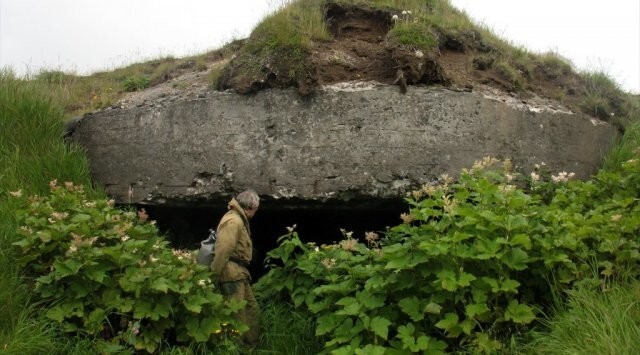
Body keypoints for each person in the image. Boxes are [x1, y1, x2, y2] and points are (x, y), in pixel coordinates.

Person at [210, 189, 261, 345]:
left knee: (251, 309)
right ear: (251, 207)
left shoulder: (239, 219)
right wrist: (214, 275)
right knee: (236, 314)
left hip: (239, 273)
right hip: (231, 274)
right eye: (255, 209)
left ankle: (250, 345)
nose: (256, 212)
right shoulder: (234, 221)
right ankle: (233, 347)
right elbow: (223, 250)